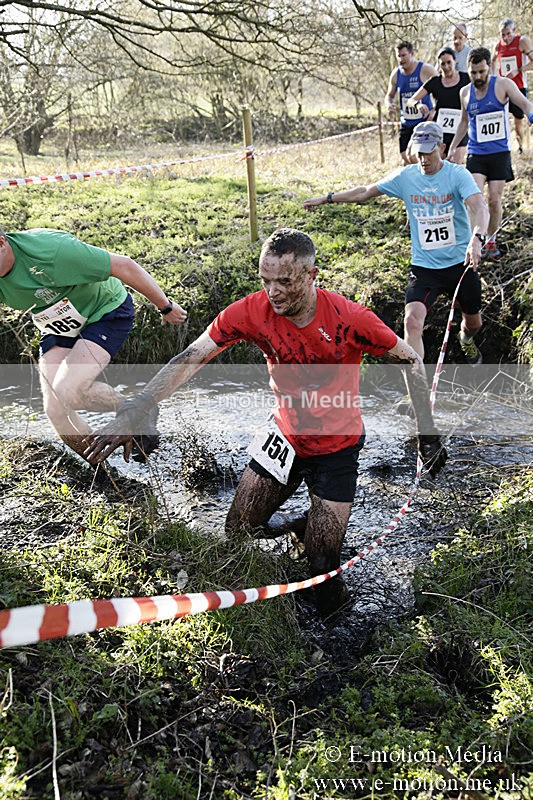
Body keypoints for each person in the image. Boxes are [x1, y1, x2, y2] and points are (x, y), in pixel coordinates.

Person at [83, 228, 447, 617]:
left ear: (311, 276)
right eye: (266, 280)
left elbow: (410, 360)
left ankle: (339, 634)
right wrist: (138, 404)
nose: (273, 292)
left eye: (285, 282)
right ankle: (299, 523)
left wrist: (426, 432)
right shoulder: (251, 311)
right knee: (238, 531)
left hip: (337, 449)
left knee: (322, 569)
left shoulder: (350, 318)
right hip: (285, 438)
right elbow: (193, 356)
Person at [303, 121, 489, 365]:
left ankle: (465, 341)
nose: (423, 158)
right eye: (419, 152)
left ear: (442, 148)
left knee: (473, 323)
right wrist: (326, 198)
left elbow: (480, 207)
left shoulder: (457, 175)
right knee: (411, 321)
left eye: (429, 152)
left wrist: (476, 239)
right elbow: (364, 192)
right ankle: (417, 382)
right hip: (425, 267)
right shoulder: (406, 177)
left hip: (459, 264)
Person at [0, 227, 187, 463]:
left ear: (1, 243)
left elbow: (124, 266)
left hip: (105, 311)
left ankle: (138, 409)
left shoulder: (52, 251)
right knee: (56, 411)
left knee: (69, 391)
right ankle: (103, 474)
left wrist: (166, 307)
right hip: (57, 324)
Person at [448, 47, 533, 260]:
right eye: (473, 72)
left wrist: (531, 113)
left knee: (494, 200)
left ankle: (491, 239)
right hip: (477, 153)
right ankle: (474, 239)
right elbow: (464, 122)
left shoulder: (503, 85)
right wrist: (452, 146)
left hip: (499, 153)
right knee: (474, 199)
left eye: (481, 72)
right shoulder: (465, 93)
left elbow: (523, 102)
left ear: (489, 67)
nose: (478, 76)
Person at [406, 47, 470, 162]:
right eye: (443, 64)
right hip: (440, 130)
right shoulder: (435, 81)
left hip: (460, 128)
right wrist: (418, 105)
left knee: (455, 165)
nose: (446, 67)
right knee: (439, 166)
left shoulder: (466, 79)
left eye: (449, 62)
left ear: (455, 61)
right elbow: (411, 100)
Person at [385, 41, 438, 165]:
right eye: (399, 56)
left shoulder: (425, 69)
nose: (401, 59)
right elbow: (389, 95)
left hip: (423, 121)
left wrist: (434, 110)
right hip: (406, 121)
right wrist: (389, 105)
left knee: (416, 156)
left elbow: (440, 89)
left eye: (404, 55)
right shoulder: (396, 74)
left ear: (412, 54)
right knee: (405, 157)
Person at [492, 18, 533, 153]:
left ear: (514, 31)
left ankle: (520, 147)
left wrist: (518, 70)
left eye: (508, 34)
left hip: (519, 86)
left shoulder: (522, 42)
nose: (506, 37)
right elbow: (492, 62)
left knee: (518, 121)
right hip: (502, 88)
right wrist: (494, 77)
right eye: (502, 34)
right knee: (500, 117)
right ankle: (503, 148)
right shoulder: (498, 46)